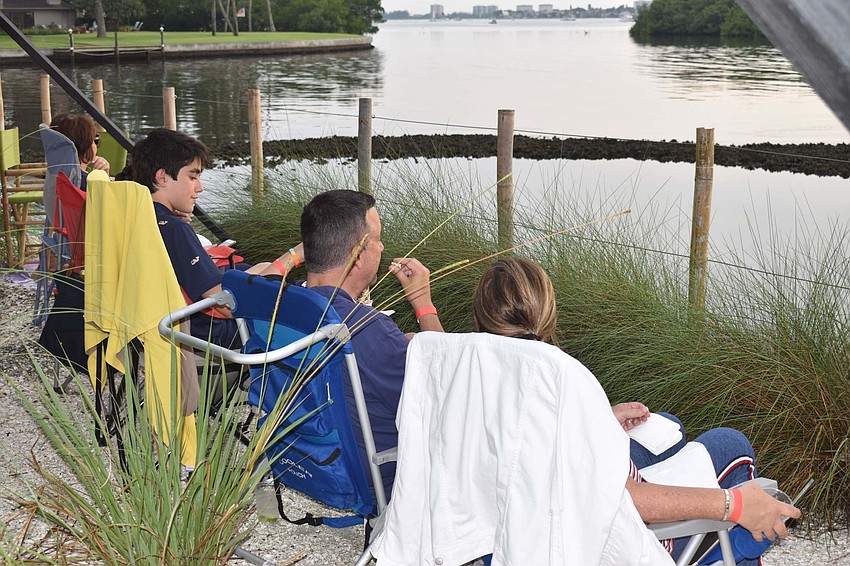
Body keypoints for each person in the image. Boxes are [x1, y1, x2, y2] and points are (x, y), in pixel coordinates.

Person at [472, 256, 800, 564]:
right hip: (598, 543)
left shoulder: (467, 377)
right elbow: (627, 499)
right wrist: (734, 505)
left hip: (502, 534)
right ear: (548, 314)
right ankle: (723, 547)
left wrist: (598, 422)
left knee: (668, 427)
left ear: (481, 319)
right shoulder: (560, 380)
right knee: (732, 445)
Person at [300, 189, 443, 495]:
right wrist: (423, 305)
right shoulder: (365, 328)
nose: (382, 246)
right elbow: (443, 396)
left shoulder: (284, 306)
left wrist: (397, 342)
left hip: (309, 459)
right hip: (377, 474)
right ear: (360, 252)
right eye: (377, 239)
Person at [131, 128, 302, 347]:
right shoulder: (174, 229)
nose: (199, 188)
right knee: (300, 317)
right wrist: (295, 256)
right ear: (162, 177)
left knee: (262, 266)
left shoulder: (140, 217)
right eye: (192, 176)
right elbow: (228, 305)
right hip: (205, 334)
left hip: (152, 323)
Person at [49, 113, 110, 190]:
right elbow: (108, 200)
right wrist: (104, 178)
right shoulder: (86, 184)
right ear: (86, 146)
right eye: (95, 141)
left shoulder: (55, 175)